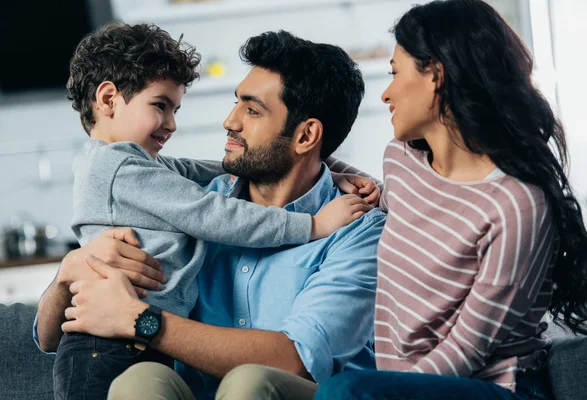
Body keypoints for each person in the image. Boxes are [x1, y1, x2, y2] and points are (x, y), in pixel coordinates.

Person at [35, 30, 386, 400]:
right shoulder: (195, 205)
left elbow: (295, 360)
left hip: (290, 391)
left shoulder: (357, 229)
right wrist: (68, 272)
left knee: (248, 383)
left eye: (252, 110)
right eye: (236, 103)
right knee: (140, 383)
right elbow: (47, 337)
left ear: (305, 137)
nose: (229, 121)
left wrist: (140, 320)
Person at [313, 1, 587, 399]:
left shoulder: (517, 204)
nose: (385, 93)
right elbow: (412, 209)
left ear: (435, 75)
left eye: (396, 73)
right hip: (396, 385)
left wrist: (383, 389)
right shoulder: (401, 161)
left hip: (489, 387)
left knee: (345, 390)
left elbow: (467, 351)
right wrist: (337, 172)